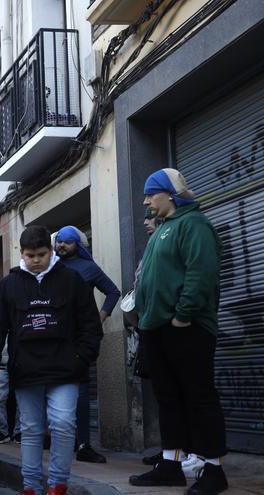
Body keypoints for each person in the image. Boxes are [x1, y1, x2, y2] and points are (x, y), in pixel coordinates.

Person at [0, 225, 103, 495]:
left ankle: (58, 485)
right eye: (30, 255)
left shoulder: (72, 280)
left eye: (42, 254)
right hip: (26, 371)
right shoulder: (9, 285)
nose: (36, 260)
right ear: (21, 253)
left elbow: (91, 324)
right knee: (31, 428)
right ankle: (31, 487)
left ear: (51, 251)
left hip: (66, 370)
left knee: (63, 423)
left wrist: (81, 358)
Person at [129, 168, 228, 494]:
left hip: (186, 327)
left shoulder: (194, 224)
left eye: (149, 194)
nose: (145, 201)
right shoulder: (162, 229)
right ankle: (170, 465)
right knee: (168, 398)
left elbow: (202, 272)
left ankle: (213, 471)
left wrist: (183, 316)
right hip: (156, 329)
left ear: (168, 194)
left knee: (198, 396)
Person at [54, 226, 120, 464]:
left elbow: (113, 292)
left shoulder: (88, 268)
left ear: (78, 246)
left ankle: (83, 444)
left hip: (81, 340)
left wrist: (100, 317)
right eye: (59, 241)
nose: (61, 245)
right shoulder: (51, 266)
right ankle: (62, 440)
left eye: (67, 242)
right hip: (55, 339)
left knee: (81, 391)